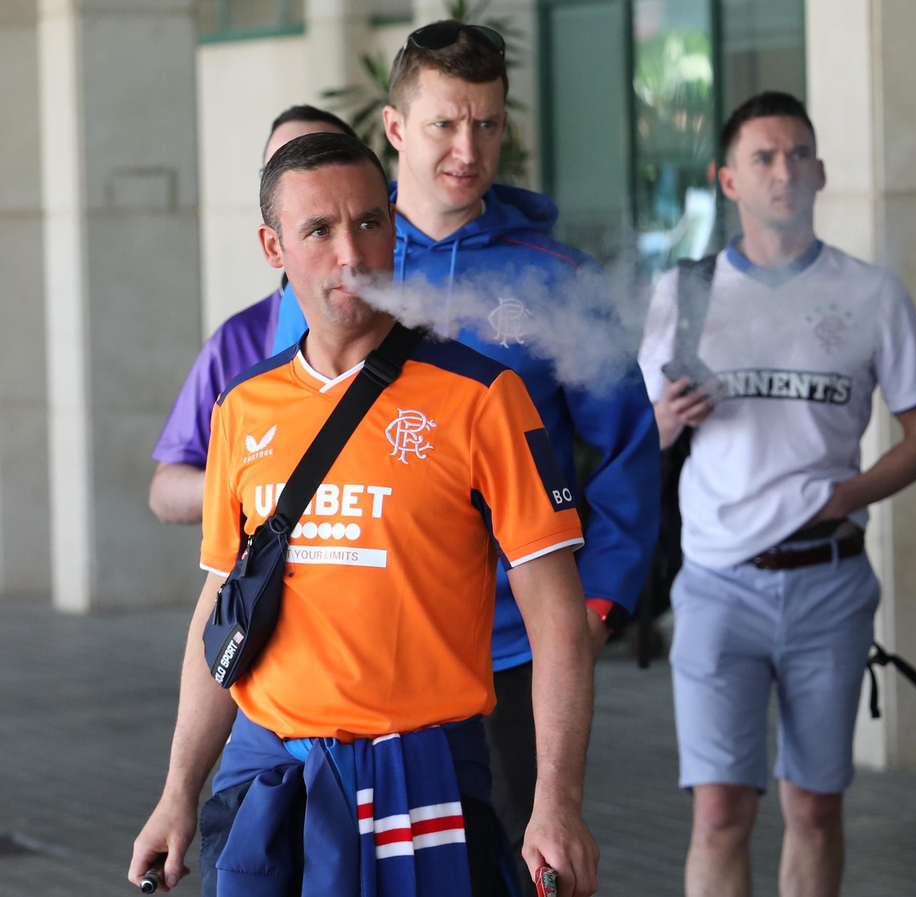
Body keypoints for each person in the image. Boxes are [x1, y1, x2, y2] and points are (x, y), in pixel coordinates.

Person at [127, 132, 600, 896]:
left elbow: (557, 617)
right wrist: (178, 792)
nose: (353, 251)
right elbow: (222, 606)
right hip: (268, 774)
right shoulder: (243, 408)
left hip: (423, 770)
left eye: (371, 222)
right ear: (272, 246)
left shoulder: (482, 397)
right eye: (319, 230)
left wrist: (556, 802)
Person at [268, 23, 660, 891]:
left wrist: (599, 604)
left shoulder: (558, 277)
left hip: (516, 653)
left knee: (528, 869)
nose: (468, 148)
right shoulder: (333, 271)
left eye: (487, 123)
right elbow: (283, 448)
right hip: (363, 662)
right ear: (396, 128)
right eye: (445, 123)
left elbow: (630, 446)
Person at [637, 91, 916, 897]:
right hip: (715, 585)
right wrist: (664, 421)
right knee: (719, 814)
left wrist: (847, 495)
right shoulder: (685, 292)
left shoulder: (870, 293)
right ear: (728, 181)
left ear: (819, 171)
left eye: (796, 155)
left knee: (813, 808)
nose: (783, 172)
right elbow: (641, 444)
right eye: (763, 158)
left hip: (830, 582)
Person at [148, 105, 358, 525]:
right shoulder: (240, 337)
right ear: (272, 241)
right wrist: (257, 480)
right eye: (280, 168)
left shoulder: (414, 324)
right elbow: (164, 491)